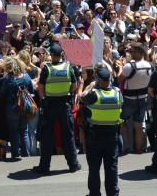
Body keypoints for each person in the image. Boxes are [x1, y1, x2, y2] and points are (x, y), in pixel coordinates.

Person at [33, 42, 81, 174]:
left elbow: (41, 88)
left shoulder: (47, 69)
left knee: (47, 137)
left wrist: (43, 100)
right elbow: (75, 84)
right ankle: (73, 164)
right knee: (68, 136)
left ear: (52, 55)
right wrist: (69, 94)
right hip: (64, 104)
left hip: (50, 105)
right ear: (61, 55)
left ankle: (44, 167)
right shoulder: (68, 67)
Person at [82, 66, 123, 196]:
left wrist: (90, 86)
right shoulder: (117, 93)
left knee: (94, 168)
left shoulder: (94, 94)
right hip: (112, 134)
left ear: (98, 79)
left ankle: (94, 193)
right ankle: (113, 193)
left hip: (95, 135)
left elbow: (82, 98)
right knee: (111, 167)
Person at [118, 41, 151, 154]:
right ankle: (138, 149)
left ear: (139, 52)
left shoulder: (129, 66)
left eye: (132, 51)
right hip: (143, 98)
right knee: (138, 125)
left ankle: (126, 146)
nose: (130, 53)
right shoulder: (149, 65)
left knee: (120, 120)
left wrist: (120, 69)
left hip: (129, 99)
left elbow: (119, 79)